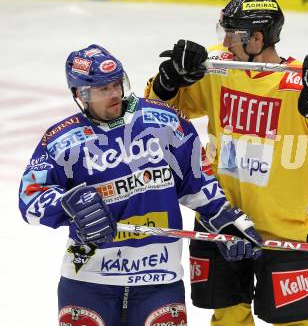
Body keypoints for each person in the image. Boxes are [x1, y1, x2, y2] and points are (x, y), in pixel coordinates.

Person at [145, 0, 308, 326]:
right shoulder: (219, 67)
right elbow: (159, 115)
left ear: (257, 38)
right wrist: (170, 80)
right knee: (228, 317)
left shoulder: (306, 83)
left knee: (294, 321)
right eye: (223, 31)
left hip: (283, 231)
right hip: (221, 217)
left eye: (233, 33)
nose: (225, 40)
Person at [18, 44, 262, 326]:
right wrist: (65, 203)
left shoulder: (165, 123)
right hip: (88, 281)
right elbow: (30, 196)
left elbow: (198, 179)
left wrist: (223, 219)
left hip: (159, 279)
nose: (115, 94)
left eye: (116, 84)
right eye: (102, 89)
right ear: (79, 95)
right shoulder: (63, 140)